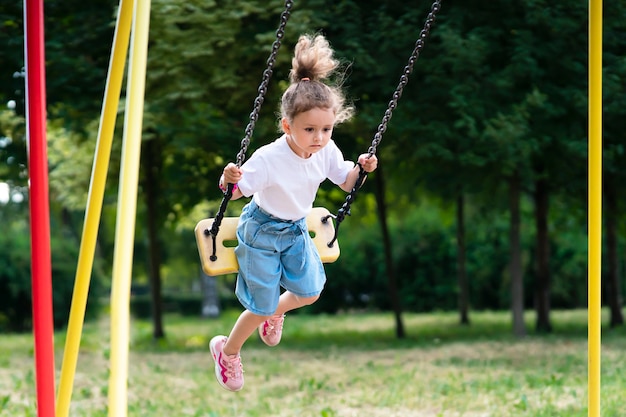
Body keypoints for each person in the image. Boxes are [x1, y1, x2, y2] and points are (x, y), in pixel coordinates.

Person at [209, 33, 378, 392]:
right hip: (262, 232)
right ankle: (228, 350)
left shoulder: (327, 149)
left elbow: (346, 182)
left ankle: (277, 312)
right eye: (310, 129)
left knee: (311, 291)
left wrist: (361, 169)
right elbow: (235, 192)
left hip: (296, 229)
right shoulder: (270, 158)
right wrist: (229, 179)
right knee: (260, 303)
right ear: (287, 126)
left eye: (326, 129)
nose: (319, 137)